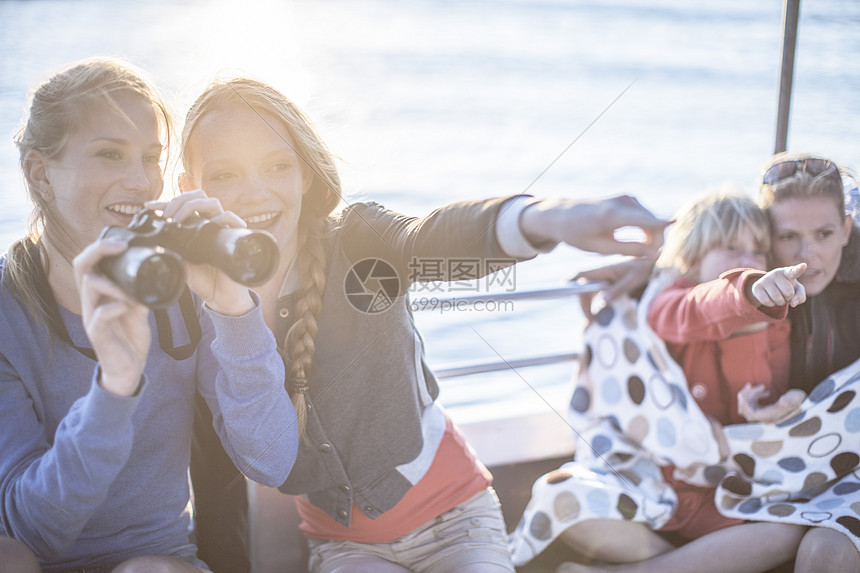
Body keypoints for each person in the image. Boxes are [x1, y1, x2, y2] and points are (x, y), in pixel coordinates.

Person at [173, 76, 669, 573]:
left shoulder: (358, 239)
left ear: (305, 173)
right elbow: (267, 462)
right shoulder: (193, 308)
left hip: (459, 522)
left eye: (278, 165)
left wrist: (548, 219)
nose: (255, 193)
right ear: (189, 189)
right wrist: (232, 311)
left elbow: (430, 240)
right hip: (346, 547)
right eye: (224, 175)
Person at [0, 58, 298, 572]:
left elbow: (271, 460)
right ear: (41, 174)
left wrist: (232, 308)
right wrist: (114, 388)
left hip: (158, 560)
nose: (141, 182)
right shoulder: (9, 312)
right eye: (110, 155)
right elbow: (36, 531)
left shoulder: (180, 291)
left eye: (150, 157)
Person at [554, 152, 860, 572]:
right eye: (788, 237)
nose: (808, 255)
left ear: (846, 228)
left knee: (812, 546)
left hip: (801, 475)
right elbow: (701, 301)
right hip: (701, 478)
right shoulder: (762, 291)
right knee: (563, 498)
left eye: (825, 233)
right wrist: (749, 294)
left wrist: (761, 406)